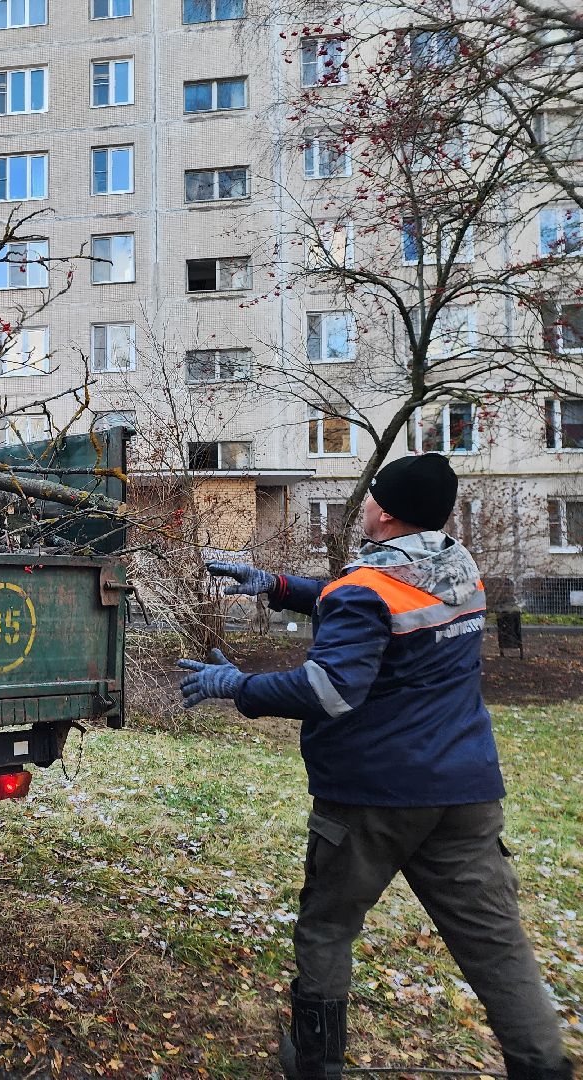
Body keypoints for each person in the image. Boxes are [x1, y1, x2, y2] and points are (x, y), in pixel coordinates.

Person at [177, 453, 575, 1080]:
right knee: (497, 946)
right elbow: (370, 606)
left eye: (368, 497)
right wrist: (274, 584)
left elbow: (331, 688)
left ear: (385, 512)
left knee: (328, 928)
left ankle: (317, 1064)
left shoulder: (369, 586)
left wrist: (239, 685)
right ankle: (544, 1066)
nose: (361, 504)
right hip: (465, 793)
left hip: (372, 799)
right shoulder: (457, 566)